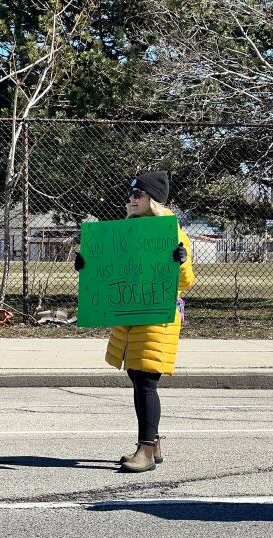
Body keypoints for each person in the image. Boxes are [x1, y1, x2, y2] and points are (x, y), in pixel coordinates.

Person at [74, 170, 196, 473]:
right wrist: (87, 265)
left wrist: (179, 260)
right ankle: (153, 443)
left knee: (145, 380)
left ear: (153, 199)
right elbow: (111, 273)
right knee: (137, 376)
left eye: (138, 194)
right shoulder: (125, 233)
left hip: (157, 318)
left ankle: (145, 451)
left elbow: (187, 281)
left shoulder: (171, 233)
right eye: (130, 194)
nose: (132, 198)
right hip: (130, 316)